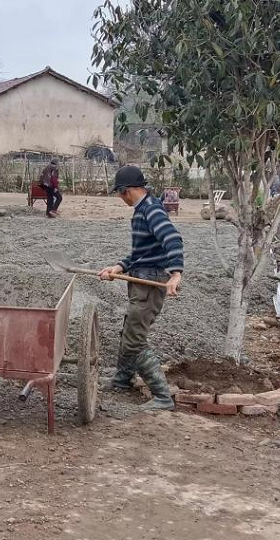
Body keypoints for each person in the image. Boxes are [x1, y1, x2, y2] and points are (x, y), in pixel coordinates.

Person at [97, 166, 183, 411]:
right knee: (129, 331)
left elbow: (172, 238)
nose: (120, 198)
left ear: (126, 191)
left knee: (134, 338)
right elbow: (140, 254)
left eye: (119, 193)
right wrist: (118, 267)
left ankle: (162, 397)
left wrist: (176, 273)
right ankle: (122, 380)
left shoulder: (152, 210)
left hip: (150, 283)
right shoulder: (143, 209)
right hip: (140, 279)